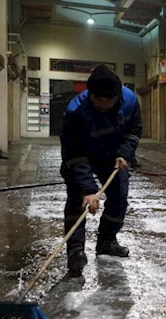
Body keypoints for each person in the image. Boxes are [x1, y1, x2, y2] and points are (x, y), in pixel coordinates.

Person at [60, 65, 142, 277]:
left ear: (117, 96)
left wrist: (125, 153)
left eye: (110, 100)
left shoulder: (130, 100)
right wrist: (88, 190)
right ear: (89, 95)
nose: (104, 104)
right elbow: (74, 154)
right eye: (99, 99)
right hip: (82, 155)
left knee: (119, 196)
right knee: (77, 199)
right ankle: (76, 251)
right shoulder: (75, 111)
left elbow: (134, 131)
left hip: (113, 155)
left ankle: (107, 241)